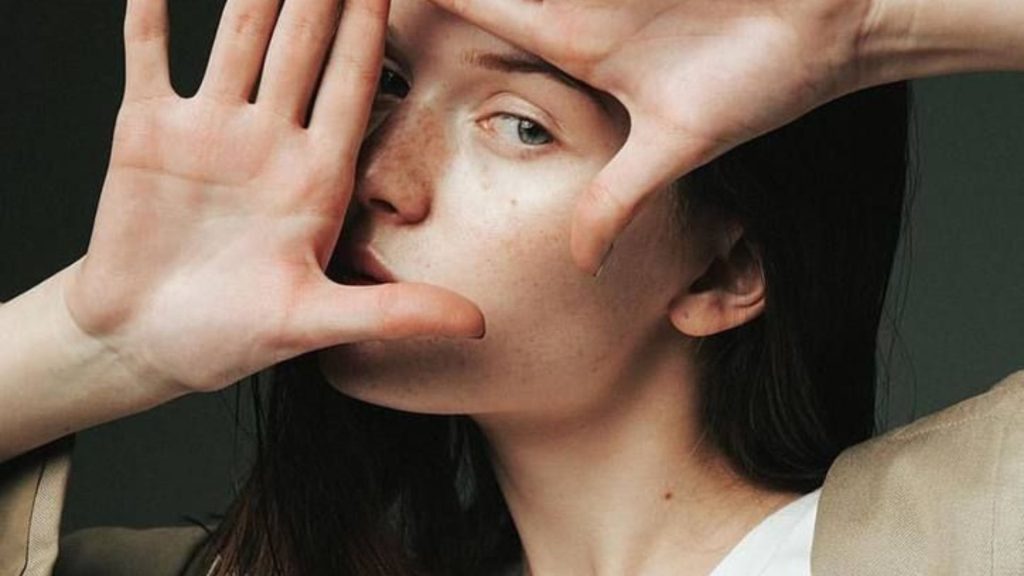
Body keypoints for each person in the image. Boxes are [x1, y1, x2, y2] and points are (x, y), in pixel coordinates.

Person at [0, 1, 1020, 576]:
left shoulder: (960, 538)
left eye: (522, 124)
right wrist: (97, 342)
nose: (379, 174)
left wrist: (862, 23)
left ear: (724, 268)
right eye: (389, 83)